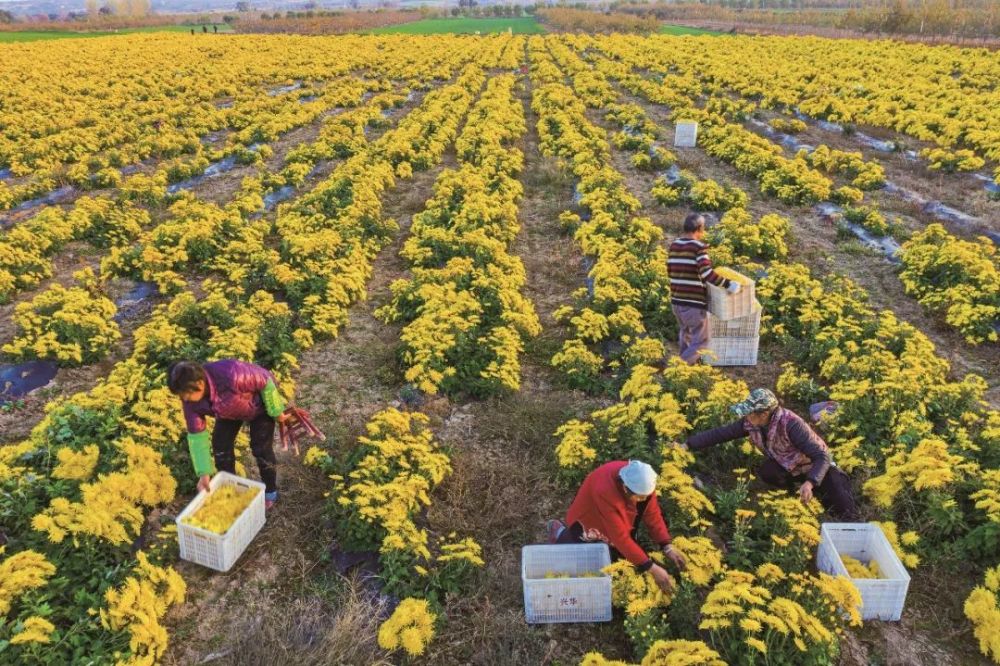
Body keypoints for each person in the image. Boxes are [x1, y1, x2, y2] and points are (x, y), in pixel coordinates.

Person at [681, 388, 858, 520]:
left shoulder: (791, 424)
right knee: (768, 471)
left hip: (817, 467)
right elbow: (721, 434)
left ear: (765, 414)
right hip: (790, 467)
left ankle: (814, 489)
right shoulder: (751, 423)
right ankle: (795, 490)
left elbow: (822, 456)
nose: (746, 417)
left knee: (843, 509)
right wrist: (688, 445)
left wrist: (811, 482)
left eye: (750, 413)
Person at [168, 359, 292, 510]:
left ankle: (270, 491)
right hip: (230, 410)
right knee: (220, 446)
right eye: (180, 395)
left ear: (200, 384)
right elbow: (197, 437)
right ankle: (231, 488)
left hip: (260, 405)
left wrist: (276, 412)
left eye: (185, 394)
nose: (184, 399)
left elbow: (265, 381)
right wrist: (204, 474)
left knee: (261, 448)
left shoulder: (230, 374)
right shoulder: (190, 403)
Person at [547, 460, 686, 593]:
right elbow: (620, 537)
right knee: (575, 546)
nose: (643, 500)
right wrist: (652, 568)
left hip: (616, 519)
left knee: (616, 552)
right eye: (639, 497)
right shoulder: (604, 489)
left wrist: (666, 546)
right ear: (625, 488)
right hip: (589, 515)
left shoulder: (643, 481)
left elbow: (653, 515)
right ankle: (559, 533)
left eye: (646, 496)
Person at [667, 213, 741, 364]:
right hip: (692, 304)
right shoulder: (698, 247)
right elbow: (707, 274)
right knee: (702, 341)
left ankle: (686, 369)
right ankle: (678, 367)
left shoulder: (674, 245)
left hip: (676, 302)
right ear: (699, 228)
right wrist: (729, 284)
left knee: (685, 333)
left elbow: (670, 270)